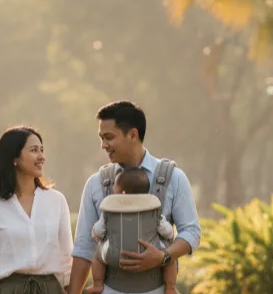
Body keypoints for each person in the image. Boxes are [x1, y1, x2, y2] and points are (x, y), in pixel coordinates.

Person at [69, 101, 201, 294]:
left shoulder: (174, 177)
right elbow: (84, 246)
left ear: (133, 134)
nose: (103, 145)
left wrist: (163, 256)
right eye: (101, 138)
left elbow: (191, 231)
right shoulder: (96, 183)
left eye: (109, 137)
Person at [0, 126, 73, 294]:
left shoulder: (56, 201)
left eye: (42, 150)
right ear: (14, 158)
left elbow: (67, 260)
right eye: (34, 150)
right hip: (7, 289)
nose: (41, 157)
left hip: (50, 289)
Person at [88, 167, 178, 294]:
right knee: (170, 256)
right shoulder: (153, 210)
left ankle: (97, 285)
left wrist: (99, 238)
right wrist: (168, 238)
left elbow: (97, 231)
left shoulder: (109, 210)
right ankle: (171, 288)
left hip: (115, 255)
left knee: (97, 255)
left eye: (115, 188)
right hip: (150, 251)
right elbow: (168, 232)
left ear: (123, 193)